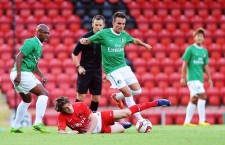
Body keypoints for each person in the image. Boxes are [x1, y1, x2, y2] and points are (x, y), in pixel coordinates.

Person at [80, 11, 152, 121]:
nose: (121, 26)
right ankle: (140, 119)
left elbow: (134, 40)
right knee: (127, 93)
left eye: (123, 24)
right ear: (113, 22)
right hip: (112, 70)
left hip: (123, 66)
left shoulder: (124, 34)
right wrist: (84, 41)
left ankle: (117, 96)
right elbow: (90, 40)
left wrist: (144, 45)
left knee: (138, 91)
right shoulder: (103, 33)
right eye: (119, 23)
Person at [10, 24, 50, 133]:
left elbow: (34, 66)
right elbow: (19, 56)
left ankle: (16, 126)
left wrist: (42, 76)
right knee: (44, 94)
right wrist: (19, 75)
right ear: (38, 32)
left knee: (26, 100)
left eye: (48, 33)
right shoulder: (32, 42)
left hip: (21, 73)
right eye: (45, 32)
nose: (47, 35)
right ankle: (37, 122)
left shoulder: (39, 46)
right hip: (22, 73)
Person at [55, 96, 171, 134]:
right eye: (66, 108)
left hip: (101, 118)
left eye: (69, 105)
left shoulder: (79, 105)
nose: (70, 108)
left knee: (127, 112)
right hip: (102, 130)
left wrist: (87, 134)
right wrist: (68, 133)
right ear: (62, 110)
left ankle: (156, 102)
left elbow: (93, 119)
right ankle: (121, 124)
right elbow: (61, 132)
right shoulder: (61, 117)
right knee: (122, 130)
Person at [180, 28, 213, 126]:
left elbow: (206, 65)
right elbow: (184, 63)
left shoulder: (204, 51)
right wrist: (183, 77)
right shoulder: (190, 49)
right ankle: (202, 120)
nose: (199, 38)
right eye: (198, 36)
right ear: (194, 38)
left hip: (200, 78)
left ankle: (187, 122)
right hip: (192, 78)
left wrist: (210, 78)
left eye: (201, 36)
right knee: (203, 95)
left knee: (194, 99)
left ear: (204, 39)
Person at [72, 15, 105, 112]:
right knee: (81, 96)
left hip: (97, 71)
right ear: (92, 25)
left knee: (96, 98)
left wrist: (106, 72)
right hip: (85, 71)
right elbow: (74, 54)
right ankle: (76, 119)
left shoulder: (104, 39)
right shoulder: (85, 38)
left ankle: (91, 119)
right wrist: (79, 67)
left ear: (103, 26)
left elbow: (106, 57)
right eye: (96, 25)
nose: (98, 27)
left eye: (100, 25)